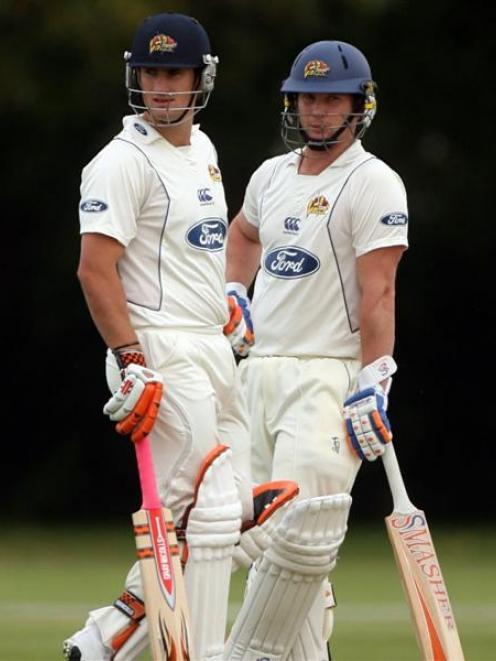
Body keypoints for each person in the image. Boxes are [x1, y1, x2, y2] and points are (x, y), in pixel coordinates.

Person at [62, 12, 262, 661]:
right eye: (151, 73)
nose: (162, 87)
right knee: (198, 515)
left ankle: (108, 634)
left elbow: (205, 248)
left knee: (243, 513)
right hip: (155, 349)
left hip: (210, 347)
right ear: (136, 76)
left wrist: (228, 296)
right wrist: (132, 360)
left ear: (200, 78)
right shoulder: (119, 163)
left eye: (174, 73)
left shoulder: (203, 151)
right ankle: (182, 648)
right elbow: (95, 270)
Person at [223, 40, 409, 660]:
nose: (319, 111)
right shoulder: (270, 176)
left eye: (333, 99)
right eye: (308, 98)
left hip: (328, 377)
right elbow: (243, 234)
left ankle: (243, 654)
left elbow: (378, 291)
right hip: (257, 372)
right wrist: (234, 290)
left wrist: (375, 377)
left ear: (360, 107)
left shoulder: (373, 181)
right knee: (235, 529)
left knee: (297, 535)